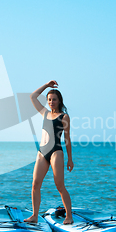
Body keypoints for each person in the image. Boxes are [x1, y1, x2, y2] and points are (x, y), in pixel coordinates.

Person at [24, 80, 74, 224]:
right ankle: (34, 216)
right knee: (35, 184)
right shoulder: (44, 113)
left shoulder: (64, 117)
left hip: (55, 152)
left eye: (54, 99)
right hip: (41, 152)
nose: (51, 102)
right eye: (49, 99)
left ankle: (69, 216)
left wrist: (70, 159)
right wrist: (46, 85)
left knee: (59, 185)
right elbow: (33, 96)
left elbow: (67, 138)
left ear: (59, 101)